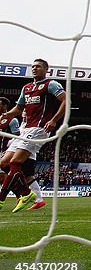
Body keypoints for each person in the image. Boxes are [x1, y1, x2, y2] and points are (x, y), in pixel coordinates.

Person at [0, 59, 66, 212]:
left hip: (39, 129)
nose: (34, 69)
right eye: (33, 67)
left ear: (46, 69)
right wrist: (6, 115)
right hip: (25, 129)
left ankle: (2, 197)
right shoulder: (27, 87)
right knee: (4, 163)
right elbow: (18, 108)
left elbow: (65, 100)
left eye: (38, 66)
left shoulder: (51, 84)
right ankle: (26, 193)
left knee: (16, 161)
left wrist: (54, 120)